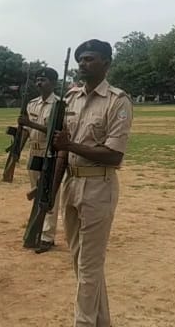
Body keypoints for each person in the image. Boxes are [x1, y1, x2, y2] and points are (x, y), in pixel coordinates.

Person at [52, 39, 133, 327]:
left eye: (90, 59)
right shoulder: (71, 99)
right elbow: (62, 147)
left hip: (98, 185)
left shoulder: (117, 100)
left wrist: (71, 146)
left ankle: (83, 322)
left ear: (106, 63)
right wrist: (50, 188)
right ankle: (100, 321)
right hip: (71, 185)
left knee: (89, 265)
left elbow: (113, 155)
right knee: (79, 261)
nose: (83, 64)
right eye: (81, 59)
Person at [18, 67, 60, 253]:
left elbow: (54, 132)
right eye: (37, 80)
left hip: (48, 153)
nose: (39, 83)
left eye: (43, 80)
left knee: (49, 195)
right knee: (36, 193)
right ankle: (36, 228)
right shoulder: (32, 104)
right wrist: (17, 149)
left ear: (53, 83)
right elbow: (26, 131)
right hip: (33, 153)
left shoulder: (59, 105)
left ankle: (47, 236)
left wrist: (30, 123)